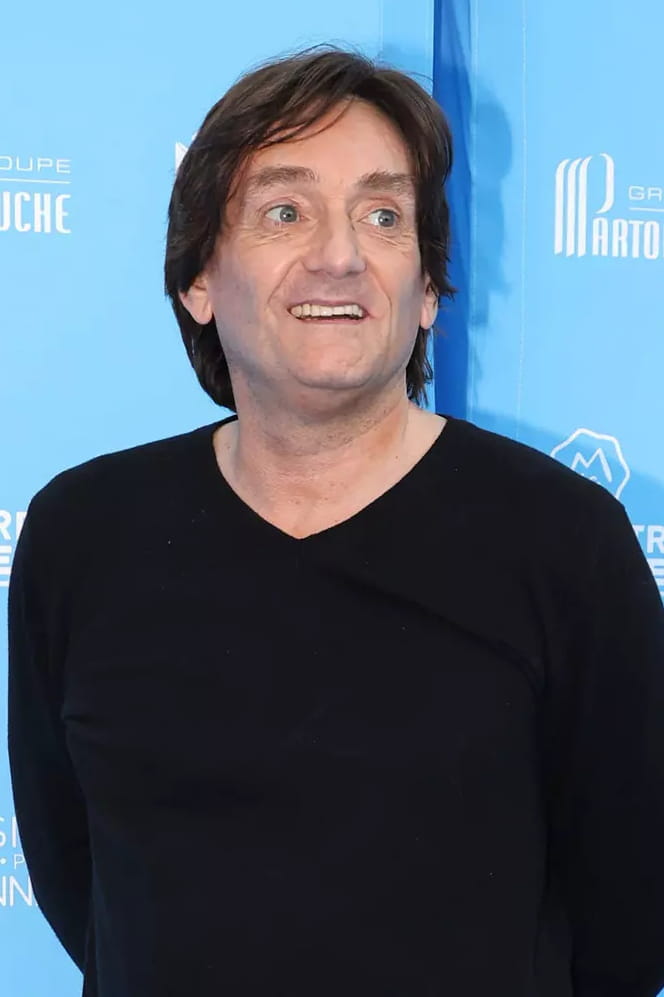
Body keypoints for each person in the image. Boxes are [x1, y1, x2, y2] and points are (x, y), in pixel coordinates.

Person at [7, 46, 664, 997]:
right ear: (198, 278)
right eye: (285, 211)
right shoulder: (84, 533)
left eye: (383, 216)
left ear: (427, 290)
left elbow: (629, 918)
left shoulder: (565, 542)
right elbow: (81, 876)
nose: (341, 255)